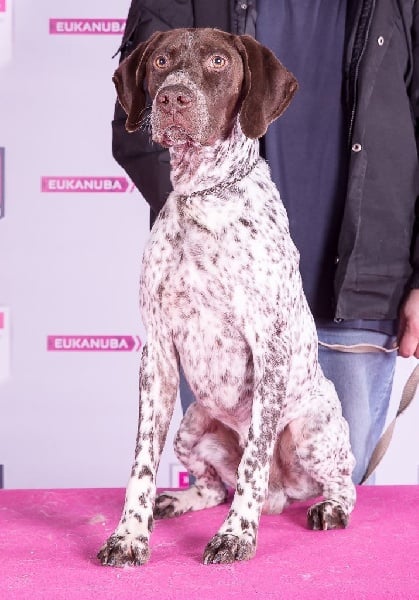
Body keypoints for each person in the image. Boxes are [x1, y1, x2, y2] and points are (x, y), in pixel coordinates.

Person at [112, 0, 419, 484]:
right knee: (225, 488)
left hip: (362, 286)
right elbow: (142, 120)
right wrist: (209, 231)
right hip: (217, 300)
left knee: (336, 497)